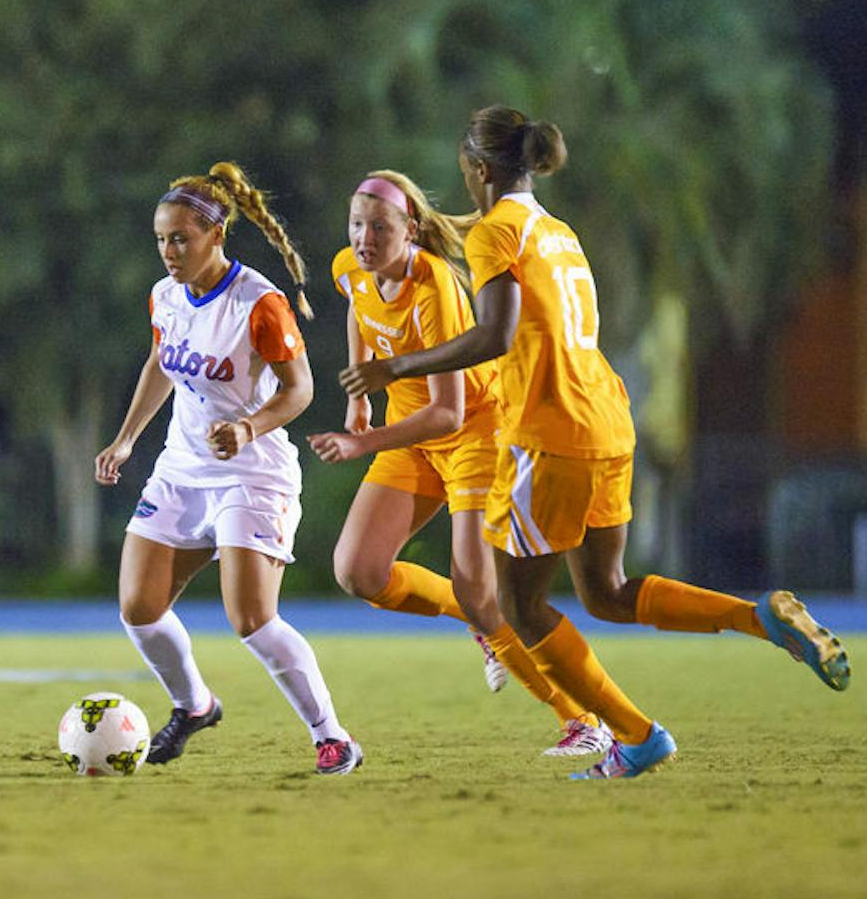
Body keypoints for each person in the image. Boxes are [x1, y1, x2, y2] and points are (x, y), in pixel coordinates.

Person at [341, 106, 849, 780]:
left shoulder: (496, 232)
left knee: (516, 605)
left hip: (549, 435)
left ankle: (633, 735)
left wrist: (395, 367)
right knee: (606, 591)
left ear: (479, 169)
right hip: (608, 421)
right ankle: (759, 616)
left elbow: (493, 335)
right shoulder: (558, 231)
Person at [308, 170, 611, 757]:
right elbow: (359, 311)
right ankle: (480, 625)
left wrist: (362, 445)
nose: (364, 238)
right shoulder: (349, 266)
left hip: (474, 430)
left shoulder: (435, 288)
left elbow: (447, 413)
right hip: (409, 434)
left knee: (480, 586)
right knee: (358, 571)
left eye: (379, 227)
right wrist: (357, 396)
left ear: (411, 229)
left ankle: (583, 720)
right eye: (356, 225)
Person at [95, 162, 363, 775]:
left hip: (252, 472)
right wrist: (125, 440)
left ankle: (332, 736)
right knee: (138, 607)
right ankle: (194, 707)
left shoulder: (258, 302)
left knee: (250, 619)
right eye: (161, 239)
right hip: (182, 469)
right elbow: (162, 361)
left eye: (181, 238)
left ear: (216, 237)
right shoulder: (165, 294)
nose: (169, 251)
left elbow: (299, 390)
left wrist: (247, 427)